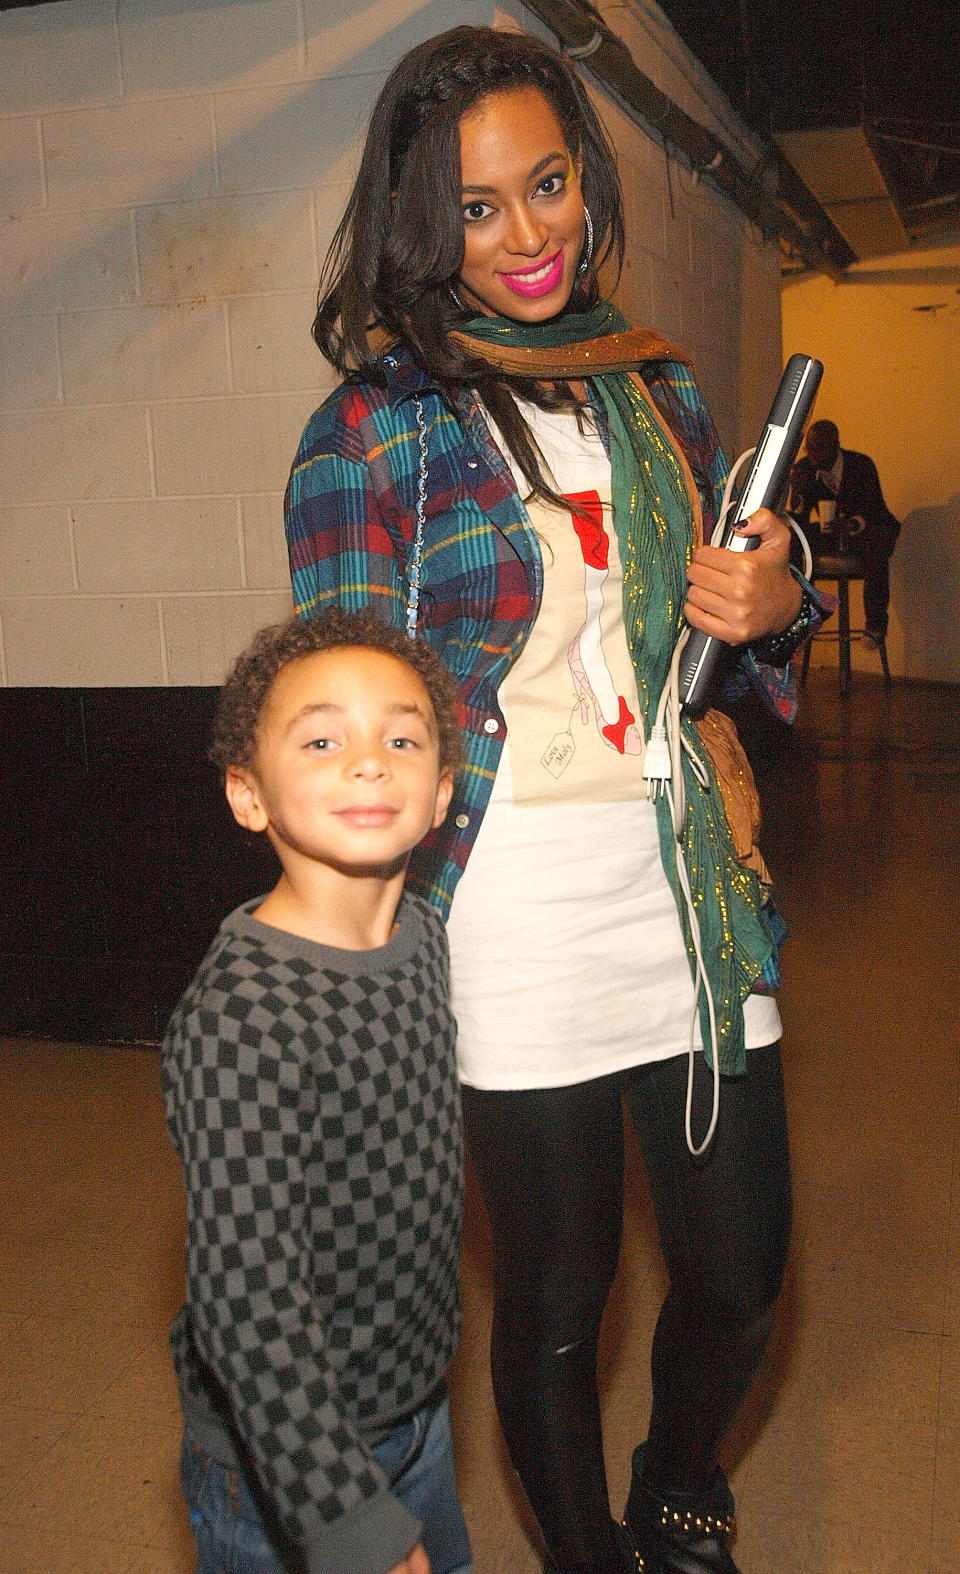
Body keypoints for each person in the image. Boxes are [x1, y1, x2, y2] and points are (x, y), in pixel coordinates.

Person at [284, 26, 826, 1574]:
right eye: (476, 208)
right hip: (507, 894)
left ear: (584, 181)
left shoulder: (654, 392)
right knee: (560, 1289)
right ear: (418, 225)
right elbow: (343, 728)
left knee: (740, 1266)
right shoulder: (370, 430)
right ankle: (592, 1551)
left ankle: (679, 1472)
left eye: (548, 185)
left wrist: (770, 595)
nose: (527, 235)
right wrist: (343, 978)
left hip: (681, 869)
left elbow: (736, 634)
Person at [162, 609, 472, 1574]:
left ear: (442, 795)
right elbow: (248, 1310)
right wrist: (353, 1528)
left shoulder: (425, 935)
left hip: (413, 1408)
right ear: (248, 796)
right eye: (324, 738)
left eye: (403, 736)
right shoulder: (245, 1016)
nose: (371, 761)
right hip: (287, 1466)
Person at [790, 417, 901, 648]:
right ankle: (799, 617)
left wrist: (850, 524)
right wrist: (798, 500)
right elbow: (800, 518)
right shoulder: (805, 469)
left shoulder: (861, 465)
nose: (812, 454)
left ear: (834, 445)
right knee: (791, 541)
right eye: (809, 448)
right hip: (832, 534)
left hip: (867, 529)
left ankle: (875, 624)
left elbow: (874, 510)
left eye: (819, 448)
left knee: (876, 543)